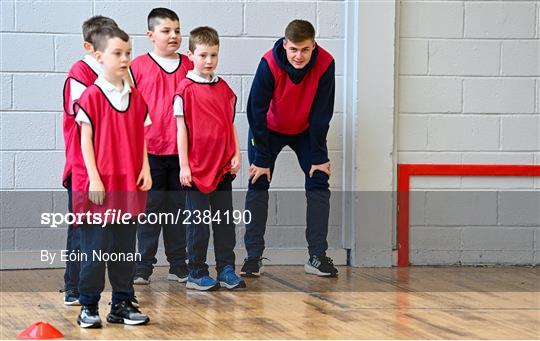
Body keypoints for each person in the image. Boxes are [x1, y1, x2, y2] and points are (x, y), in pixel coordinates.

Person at [242, 19, 338, 278]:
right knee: (257, 180)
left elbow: (322, 112)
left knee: (319, 179)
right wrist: (261, 157)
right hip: (268, 130)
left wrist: (318, 155)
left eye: (305, 49)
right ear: (285, 45)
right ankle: (252, 257)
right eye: (294, 49)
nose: (299, 56)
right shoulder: (269, 63)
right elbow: (256, 111)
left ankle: (316, 256)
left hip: (306, 130)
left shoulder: (326, 63)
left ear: (313, 45)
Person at [72, 26, 151, 328]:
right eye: (118, 53)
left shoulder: (137, 98)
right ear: (100, 56)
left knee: (124, 250)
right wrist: (94, 178)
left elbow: (141, 137)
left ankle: (121, 303)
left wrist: (144, 168)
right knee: (95, 250)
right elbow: (85, 141)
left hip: (128, 185)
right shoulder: (91, 97)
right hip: (100, 187)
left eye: (128, 53)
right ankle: (88, 305)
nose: (125, 58)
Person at [174, 26, 245, 291]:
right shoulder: (185, 90)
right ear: (191, 54)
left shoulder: (224, 88)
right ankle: (196, 271)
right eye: (203, 55)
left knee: (225, 223)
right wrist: (184, 166)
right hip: (196, 170)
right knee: (199, 225)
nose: (209, 61)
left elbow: (230, 124)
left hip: (222, 167)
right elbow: (181, 130)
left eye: (213, 55)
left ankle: (226, 269)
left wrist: (237, 153)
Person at [130, 7, 192, 285]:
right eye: (166, 31)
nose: (174, 36)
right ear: (151, 35)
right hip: (149, 153)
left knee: (179, 211)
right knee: (149, 211)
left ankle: (179, 265)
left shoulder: (191, 66)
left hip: (181, 154)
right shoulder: (137, 67)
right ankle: (142, 266)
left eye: (177, 30)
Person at [61, 15, 118, 306]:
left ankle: (111, 292)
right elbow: (89, 122)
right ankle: (73, 286)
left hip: (112, 168)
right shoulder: (79, 74)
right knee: (81, 229)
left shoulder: (119, 73)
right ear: (91, 47)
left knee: (110, 230)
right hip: (83, 167)